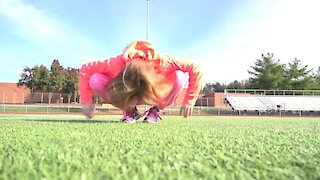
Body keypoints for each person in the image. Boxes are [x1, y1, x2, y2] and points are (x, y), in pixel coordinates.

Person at [79, 40, 202, 123]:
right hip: (127, 96)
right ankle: (130, 110)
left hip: (156, 94)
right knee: (95, 80)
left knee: (179, 77)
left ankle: (156, 110)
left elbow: (195, 68)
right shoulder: (115, 63)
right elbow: (85, 69)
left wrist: (189, 101)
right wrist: (86, 101)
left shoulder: (163, 62)